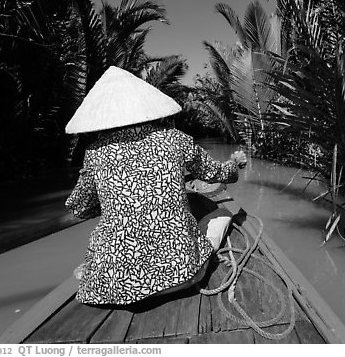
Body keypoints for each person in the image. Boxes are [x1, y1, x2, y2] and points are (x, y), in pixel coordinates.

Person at [64, 66, 247, 306]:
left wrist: (120, 200)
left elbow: (79, 208)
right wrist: (234, 165)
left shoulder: (95, 153)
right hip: (182, 275)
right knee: (222, 214)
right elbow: (216, 173)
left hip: (113, 287)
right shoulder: (174, 139)